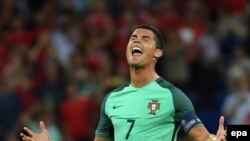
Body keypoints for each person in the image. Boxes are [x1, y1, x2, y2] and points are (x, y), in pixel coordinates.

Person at [20, 24, 226, 141]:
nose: (136, 40)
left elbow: (204, 138)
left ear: (158, 53)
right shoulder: (111, 99)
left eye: (145, 39)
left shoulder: (173, 96)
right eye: (133, 37)